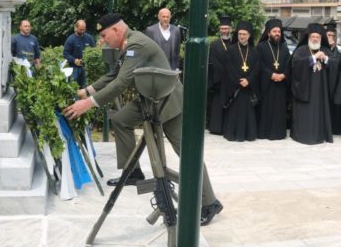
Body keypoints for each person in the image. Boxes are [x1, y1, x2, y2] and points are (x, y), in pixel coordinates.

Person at [63, 14, 223, 224]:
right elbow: (114, 75)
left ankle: (210, 203)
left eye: (104, 35)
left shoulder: (136, 44)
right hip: (149, 99)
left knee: (187, 153)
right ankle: (133, 171)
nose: (102, 40)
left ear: (116, 30)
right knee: (121, 119)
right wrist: (86, 91)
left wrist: (88, 103)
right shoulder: (127, 44)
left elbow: (121, 83)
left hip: (168, 101)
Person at [290, 23, 335, 144]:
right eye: (313, 37)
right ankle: (303, 135)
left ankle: (319, 135)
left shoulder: (325, 50)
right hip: (305, 89)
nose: (315, 39)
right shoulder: (301, 50)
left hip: (321, 90)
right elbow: (296, 65)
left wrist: (325, 59)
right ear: (308, 37)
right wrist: (313, 58)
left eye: (318, 37)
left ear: (321, 38)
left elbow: (336, 64)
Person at [222, 21, 259, 142]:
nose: (242, 36)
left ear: (249, 35)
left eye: (244, 34)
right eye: (239, 34)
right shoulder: (231, 50)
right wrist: (239, 80)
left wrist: (248, 80)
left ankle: (248, 135)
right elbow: (229, 68)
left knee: (247, 112)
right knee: (234, 111)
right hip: (236, 89)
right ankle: (232, 134)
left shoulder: (254, 51)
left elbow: (257, 69)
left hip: (248, 88)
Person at [256, 19, 290, 140]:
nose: (277, 34)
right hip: (266, 85)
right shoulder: (261, 47)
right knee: (266, 108)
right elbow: (258, 65)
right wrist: (271, 75)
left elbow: (289, 65)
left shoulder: (284, 47)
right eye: (274, 31)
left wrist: (284, 75)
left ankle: (278, 133)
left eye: (279, 31)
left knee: (279, 109)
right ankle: (264, 132)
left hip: (280, 85)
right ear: (268, 33)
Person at [207, 16, 233, 135]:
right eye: (222, 28)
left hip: (232, 80)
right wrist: (224, 74)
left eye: (226, 28)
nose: (224, 31)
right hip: (219, 80)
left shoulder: (234, 43)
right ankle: (216, 128)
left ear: (230, 29)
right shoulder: (214, 44)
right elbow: (213, 61)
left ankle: (228, 127)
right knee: (218, 103)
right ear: (219, 29)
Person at [63, 19, 96, 88]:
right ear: (76, 28)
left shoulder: (89, 38)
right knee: (74, 87)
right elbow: (65, 54)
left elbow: (94, 50)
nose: (83, 31)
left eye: (84, 29)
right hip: (74, 68)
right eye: (81, 29)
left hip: (86, 68)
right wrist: (74, 60)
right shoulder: (70, 40)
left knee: (86, 87)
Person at [325, 23, 341, 135]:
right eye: (328, 35)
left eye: (333, 35)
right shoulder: (320, 49)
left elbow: (339, 66)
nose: (331, 37)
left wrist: (331, 49)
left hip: (334, 86)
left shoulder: (338, 53)